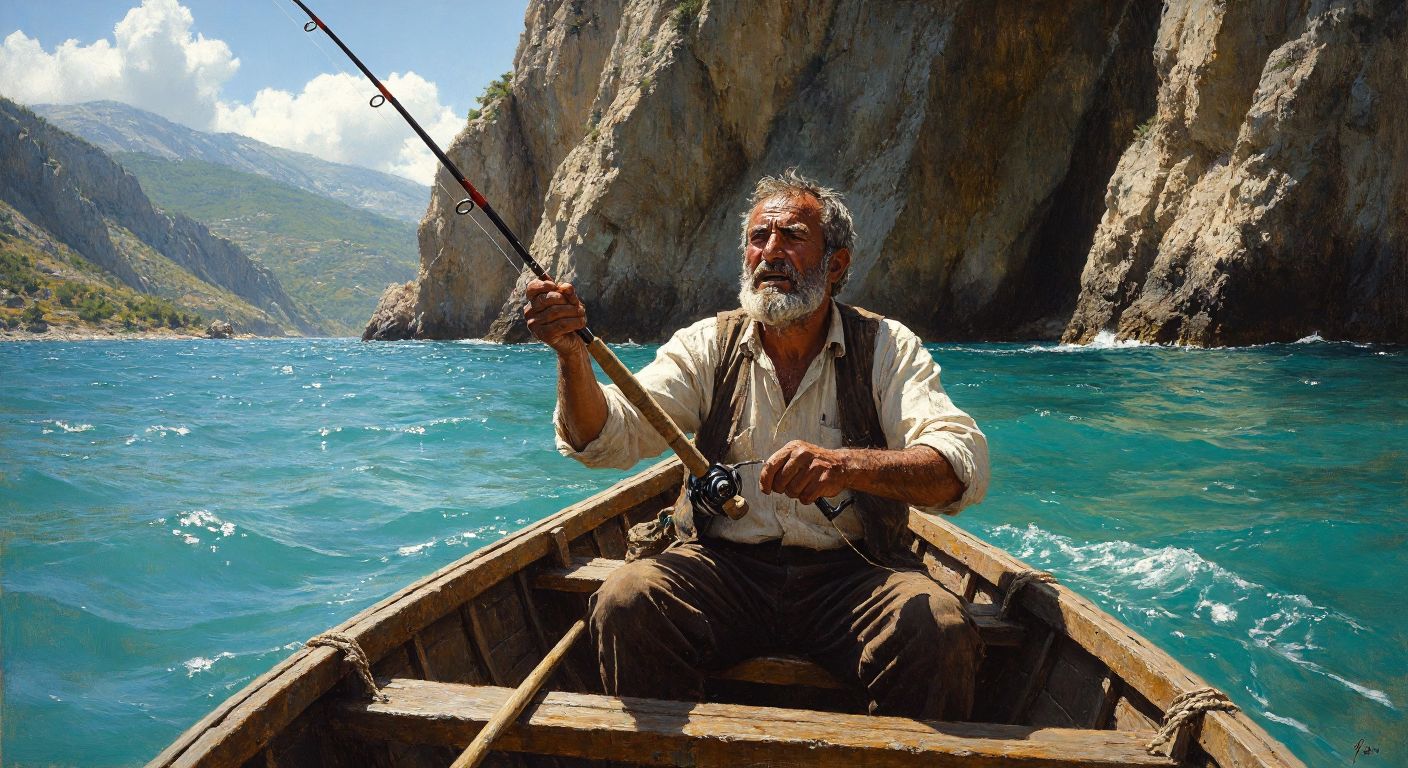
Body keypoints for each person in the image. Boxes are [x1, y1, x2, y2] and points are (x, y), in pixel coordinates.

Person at [523, 169, 989, 720]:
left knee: (937, 624)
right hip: (723, 570)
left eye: (792, 236)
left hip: (854, 574)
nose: (771, 252)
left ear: (836, 264)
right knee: (627, 599)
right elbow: (603, 438)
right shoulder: (706, 346)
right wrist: (571, 355)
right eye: (757, 238)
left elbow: (962, 465)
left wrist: (848, 466)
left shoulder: (886, 346)